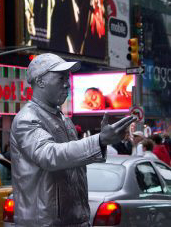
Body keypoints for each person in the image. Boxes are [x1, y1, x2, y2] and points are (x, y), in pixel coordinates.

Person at [10, 53, 136, 227]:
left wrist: (101, 141)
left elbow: (73, 161)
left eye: (67, 78)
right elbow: (49, 155)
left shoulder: (63, 119)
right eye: (61, 78)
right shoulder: (27, 118)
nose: (67, 84)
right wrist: (99, 140)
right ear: (40, 82)